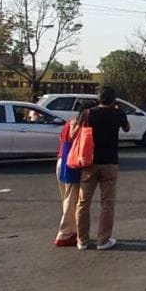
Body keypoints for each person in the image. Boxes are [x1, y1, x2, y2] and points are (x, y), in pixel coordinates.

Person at [75, 86, 129, 251]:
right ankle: (103, 240)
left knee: (83, 202)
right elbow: (127, 128)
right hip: (110, 163)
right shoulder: (118, 113)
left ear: (98, 98)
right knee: (107, 203)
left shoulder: (88, 114)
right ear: (114, 100)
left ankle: (82, 241)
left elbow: (76, 131)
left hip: (89, 162)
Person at [54, 101, 95, 247]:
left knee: (67, 200)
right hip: (72, 165)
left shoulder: (69, 123)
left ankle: (72, 231)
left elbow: (61, 140)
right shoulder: (82, 126)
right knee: (72, 202)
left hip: (61, 162)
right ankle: (65, 234)